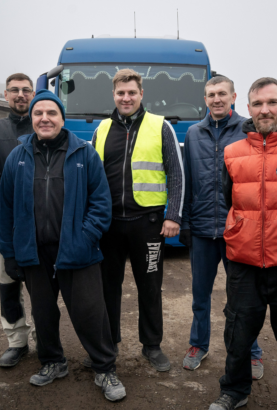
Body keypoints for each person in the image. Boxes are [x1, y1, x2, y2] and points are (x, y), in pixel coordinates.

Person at [0, 89, 126, 402]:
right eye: (38, 113)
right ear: (32, 119)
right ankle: (53, 362)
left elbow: (101, 203)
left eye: (51, 113)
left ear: (62, 119)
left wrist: (84, 238)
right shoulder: (18, 157)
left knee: (90, 312)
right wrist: (10, 252)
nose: (45, 118)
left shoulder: (84, 153)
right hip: (34, 253)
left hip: (77, 250)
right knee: (43, 313)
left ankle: (104, 367)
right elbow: (6, 208)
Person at [209, 77, 277, 410]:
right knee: (238, 333)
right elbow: (228, 197)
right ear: (247, 109)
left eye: (272, 102)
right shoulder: (233, 152)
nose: (265, 109)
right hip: (244, 261)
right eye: (258, 104)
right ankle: (234, 390)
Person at [90, 69, 184, 372]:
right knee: (108, 288)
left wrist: (173, 216)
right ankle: (109, 344)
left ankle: (152, 346)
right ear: (114, 95)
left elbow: (177, 175)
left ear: (141, 94)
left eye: (131, 92)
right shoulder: (101, 129)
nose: (126, 98)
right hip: (110, 225)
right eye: (120, 93)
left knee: (150, 287)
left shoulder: (161, 126)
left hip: (149, 223)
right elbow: (91, 178)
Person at [180, 76, 263, 377]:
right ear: (205, 99)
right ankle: (198, 345)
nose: (216, 99)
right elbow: (187, 180)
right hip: (202, 230)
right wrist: (185, 221)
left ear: (233, 97)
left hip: (237, 230)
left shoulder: (247, 131)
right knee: (200, 295)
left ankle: (252, 352)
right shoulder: (193, 133)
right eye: (211, 94)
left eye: (222, 94)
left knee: (243, 298)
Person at [0, 73, 36, 367]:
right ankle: (16, 342)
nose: (21, 95)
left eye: (26, 90)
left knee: (41, 289)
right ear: (5, 95)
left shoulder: (44, 125)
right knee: (8, 287)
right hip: (4, 225)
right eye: (14, 90)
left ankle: (45, 341)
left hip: (41, 227)